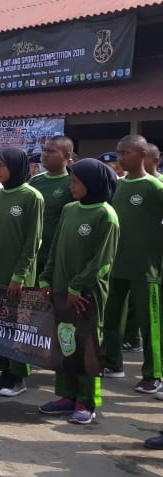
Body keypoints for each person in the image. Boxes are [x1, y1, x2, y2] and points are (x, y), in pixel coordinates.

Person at [36, 158, 119, 424]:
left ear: (92, 184)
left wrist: (77, 285)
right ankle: (66, 394)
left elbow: (102, 261)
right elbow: (56, 248)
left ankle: (87, 401)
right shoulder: (70, 209)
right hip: (61, 289)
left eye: (76, 182)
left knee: (87, 345)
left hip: (85, 294)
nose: (71, 186)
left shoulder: (105, 214)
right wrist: (47, 278)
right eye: (71, 181)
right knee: (65, 341)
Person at [0, 147, 44, 397]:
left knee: (17, 323)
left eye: (3, 165)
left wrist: (19, 275)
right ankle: (3, 371)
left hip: (17, 274)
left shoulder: (31, 197)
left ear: (16, 166)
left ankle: (19, 376)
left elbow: (33, 241)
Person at [99, 135, 163, 393]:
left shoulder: (155, 188)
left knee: (151, 325)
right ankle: (112, 363)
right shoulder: (117, 185)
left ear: (142, 154)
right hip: (116, 266)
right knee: (111, 320)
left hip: (146, 269)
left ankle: (154, 373)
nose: (120, 158)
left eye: (125, 153)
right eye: (118, 152)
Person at [28, 135, 75, 271]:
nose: (44, 155)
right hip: (33, 253)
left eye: (51, 151)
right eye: (44, 150)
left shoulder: (72, 182)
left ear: (66, 156)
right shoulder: (35, 181)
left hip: (58, 255)